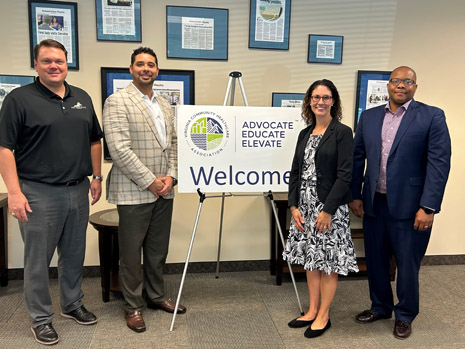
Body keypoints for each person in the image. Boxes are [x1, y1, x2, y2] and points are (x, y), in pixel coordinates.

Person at [0, 39, 103, 345]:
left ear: (66, 63)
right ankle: (41, 319)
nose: (54, 66)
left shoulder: (81, 97)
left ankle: (72, 305)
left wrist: (96, 176)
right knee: (37, 260)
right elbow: (5, 148)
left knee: (73, 254)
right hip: (37, 192)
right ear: (36, 65)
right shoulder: (19, 99)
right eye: (47, 61)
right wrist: (14, 192)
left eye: (59, 60)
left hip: (78, 189)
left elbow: (94, 140)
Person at [350, 66, 451, 339]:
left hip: (412, 207)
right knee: (376, 260)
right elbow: (357, 158)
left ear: (415, 87)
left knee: (407, 264)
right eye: (396, 81)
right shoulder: (369, 117)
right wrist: (355, 195)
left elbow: (439, 165)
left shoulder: (431, 116)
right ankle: (380, 306)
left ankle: (405, 314)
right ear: (388, 86)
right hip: (374, 203)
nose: (401, 85)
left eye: (408, 81)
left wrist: (428, 207)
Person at [103, 47, 184, 333]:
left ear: (157, 70)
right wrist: (151, 181)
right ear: (131, 69)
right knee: (131, 253)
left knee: (156, 250)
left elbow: (174, 144)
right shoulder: (117, 101)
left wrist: (172, 177)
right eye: (140, 64)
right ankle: (133, 306)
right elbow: (119, 150)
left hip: (165, 189)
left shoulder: (163, 104)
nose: (145, 69)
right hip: (135, 189)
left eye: (151, 64)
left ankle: (156, 296)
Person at [283, 79, 359, 339]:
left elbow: (345, 175)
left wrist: (327, 210)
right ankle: (312, 309)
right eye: (315, 97)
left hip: (330, 208)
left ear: (333, 101)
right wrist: (293, 205)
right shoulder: (305, 133)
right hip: (304, 206)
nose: (320, 102)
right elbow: (295, 172)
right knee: (310, 261)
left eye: (326, 97)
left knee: (328, 263)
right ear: (309, 101)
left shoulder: (342, 132)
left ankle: (324, 314)